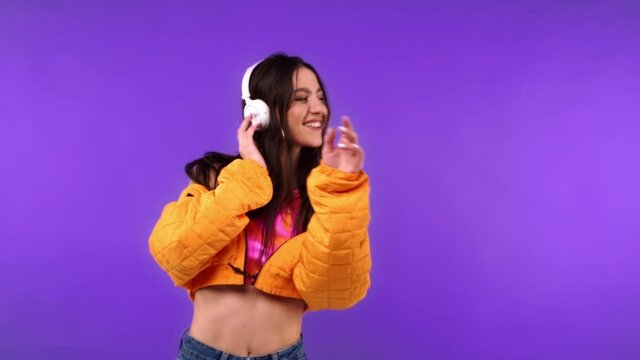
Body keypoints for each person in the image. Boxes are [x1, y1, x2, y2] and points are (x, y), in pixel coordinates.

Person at [148, 53, 372, 360]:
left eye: (320, 98)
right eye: (301, 98)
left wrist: (339, 186)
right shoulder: (219, 176)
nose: (318, 108)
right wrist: (249, 178)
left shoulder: (321, 194)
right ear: (261, 110)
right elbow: (174, 254)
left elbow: (339, 288)